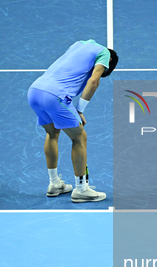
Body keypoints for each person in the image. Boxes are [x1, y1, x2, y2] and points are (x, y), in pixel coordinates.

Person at [27, 39, 118, 203]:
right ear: (109, 61)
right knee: (79, 137)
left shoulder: (79, 44)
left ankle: (55, 184)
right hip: (55, 96)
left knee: (52, 133)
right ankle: (81, 189)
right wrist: (79, 109)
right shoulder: (104, 53)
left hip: (34, 91)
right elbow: (93, 81)